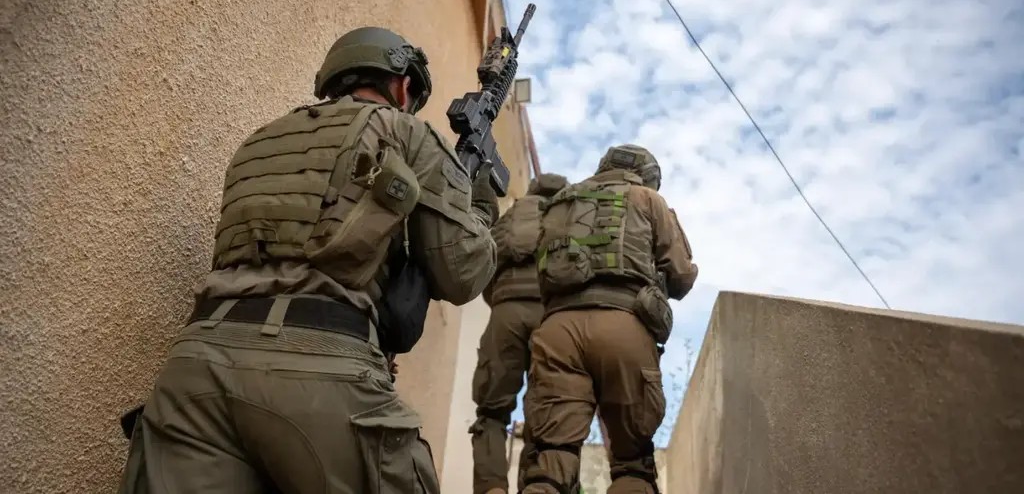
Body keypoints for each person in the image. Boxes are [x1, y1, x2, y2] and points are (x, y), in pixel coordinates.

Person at [117, 26, 499, 493]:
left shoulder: (259, 141)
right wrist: (480, 208)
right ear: (402, 86)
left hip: (196, 368)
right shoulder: (407, 132)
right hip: (318, 370)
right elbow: (463, 273)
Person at [519, 144, 699, 494]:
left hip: (558, 331)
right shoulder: (648, 199)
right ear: (648, 175)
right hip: (624, 326)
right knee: (633, 463)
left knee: (550, 460)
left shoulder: (560, 202)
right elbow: (681, 277)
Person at [469, 172, 569, 494]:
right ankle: (535, 486)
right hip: (551, 317)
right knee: (546, 414)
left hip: (506, 313)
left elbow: (485, 264)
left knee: (491, 410)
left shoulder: (511, 216)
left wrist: (500, 301)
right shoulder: (572, 219)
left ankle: (491, 486)